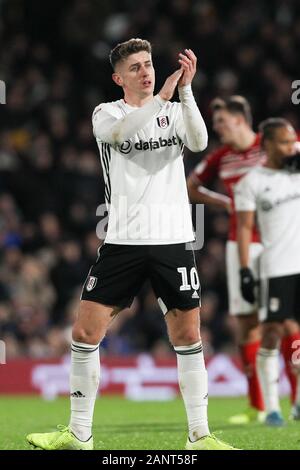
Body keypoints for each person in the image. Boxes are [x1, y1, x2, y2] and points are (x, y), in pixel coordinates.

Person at [26, 38, 236, 450]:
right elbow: (123, 135)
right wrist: (160, 98)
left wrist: (187, 91)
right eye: (136, 67)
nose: (146, 71)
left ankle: (200, 435)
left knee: (188, 335)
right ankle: (79, 434)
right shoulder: (107, 113)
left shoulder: (174, 111)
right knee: (85, 331)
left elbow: (197, 142)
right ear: (118, 78)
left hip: (173, 237)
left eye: (149, 64)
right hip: (123, 240)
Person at [187, 96, 266, 424]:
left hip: (285, 241)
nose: (216, 129)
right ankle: (257, 406)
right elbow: (191, 187)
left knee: (287, 319)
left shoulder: (274, 145)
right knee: (246, 323)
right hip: (241, 244)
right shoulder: (222, 157)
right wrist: (224, 203)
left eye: (220, 123)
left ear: (239, 119)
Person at [235, 118, 300, 426]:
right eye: (285, 142)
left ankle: (298, 401)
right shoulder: (252, 182)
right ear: (269, 145)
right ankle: (272, 408)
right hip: (276, 268)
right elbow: (245, 227)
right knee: (272, 334)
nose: (291, 146)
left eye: (293, 141)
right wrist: (245, 269)